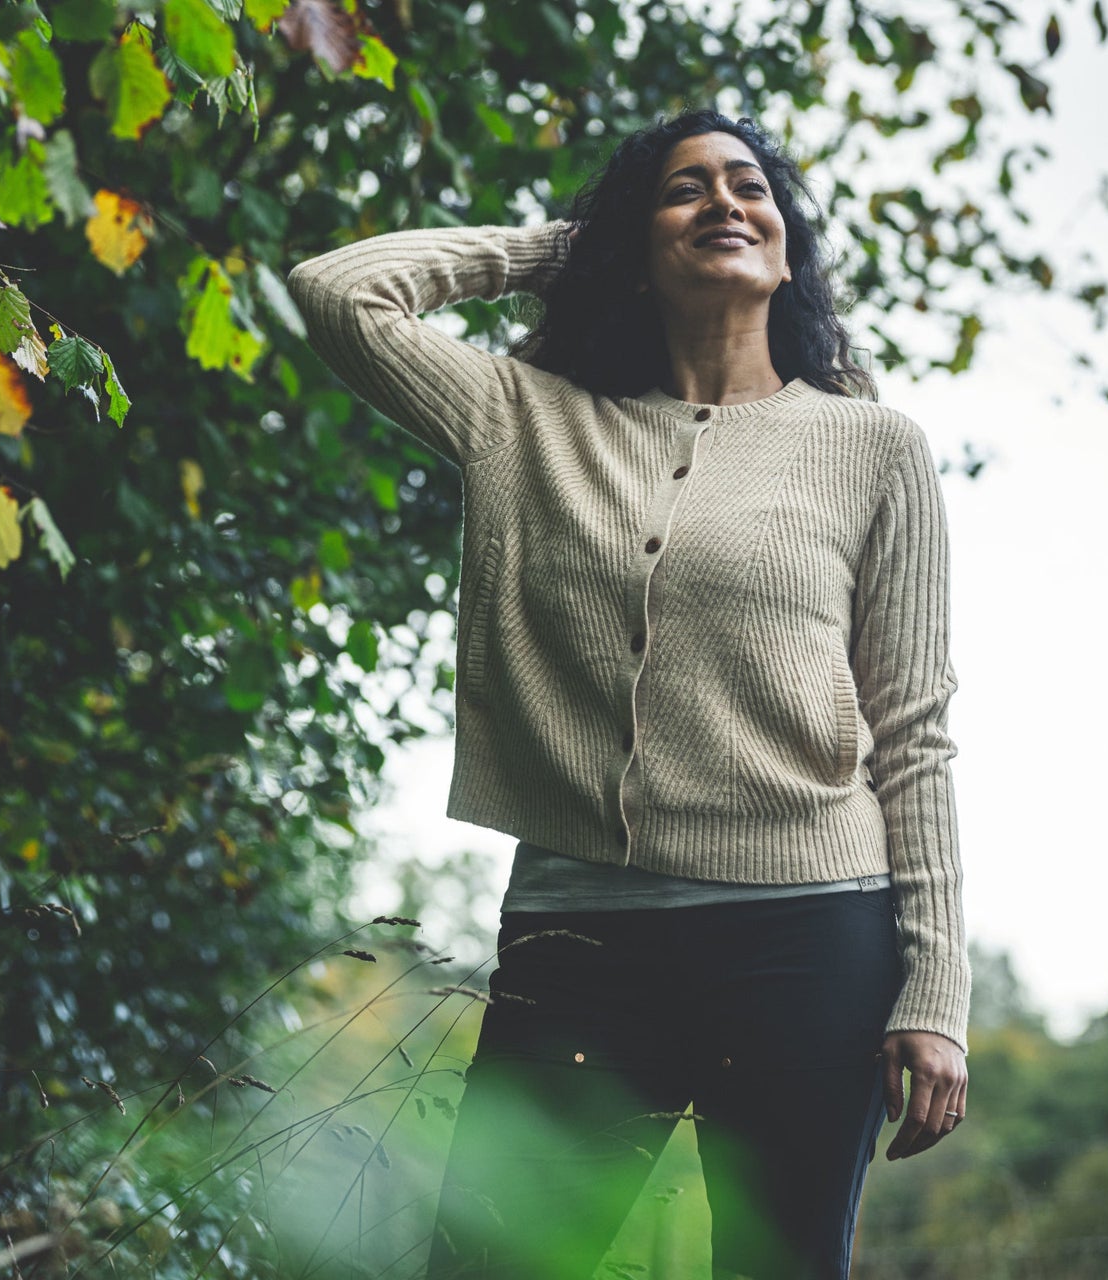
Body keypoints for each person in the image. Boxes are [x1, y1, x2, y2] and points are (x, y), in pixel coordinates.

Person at [286, 107, 970, 1280]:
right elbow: (338, 290)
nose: (723, 203)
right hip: (582, 937)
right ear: (632, 246)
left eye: (749, 187)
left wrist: (938, 985)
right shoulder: (523, 418)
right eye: (682, 190)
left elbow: (913, 733)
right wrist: (564, 242)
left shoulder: (875, 448)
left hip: (811, 936)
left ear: (788, 246)